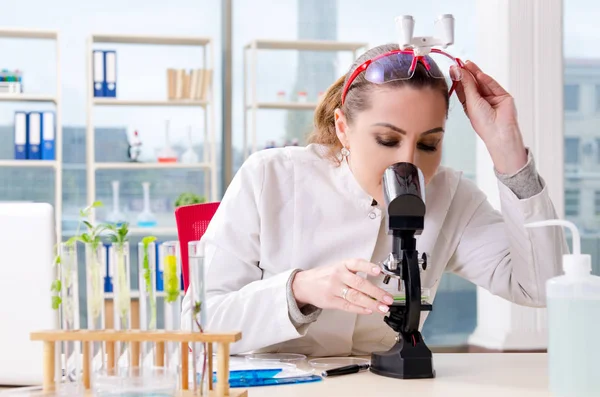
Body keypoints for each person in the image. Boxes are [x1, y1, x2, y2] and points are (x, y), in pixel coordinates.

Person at [181, 43, 568, 357]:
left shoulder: (452, 198)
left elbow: (541, 285)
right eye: (387, 140)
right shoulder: (270, 176)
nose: (409, 162)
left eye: (430, 143)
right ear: (343, 128)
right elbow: (197, 322)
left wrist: (509, 152)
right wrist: (298, 289)